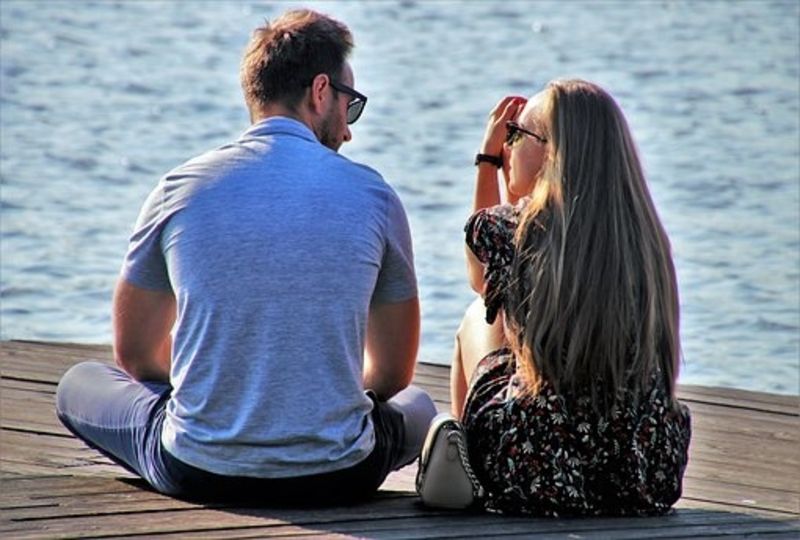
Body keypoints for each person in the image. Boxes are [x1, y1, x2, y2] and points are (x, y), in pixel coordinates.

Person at [56, 9, 436, 505]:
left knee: (79, 382)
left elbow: (137, 355)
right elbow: (390, 377)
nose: (348, 131)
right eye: (351, 105)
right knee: (420, 406)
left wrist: (224, 382)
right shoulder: (374, 196)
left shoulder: (179, 189)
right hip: (340, 473)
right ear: (320, 92)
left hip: (197, 468)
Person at [448, 79, 691, 516]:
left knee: (473, 319)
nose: (509, 145)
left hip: (538, 464)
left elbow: (483, 279)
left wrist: (486, 163)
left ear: (552, 154)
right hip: (644, 466)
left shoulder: (517, 230)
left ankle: (462, 471)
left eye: (517, 135)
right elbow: (509, 257)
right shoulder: (646, 239)